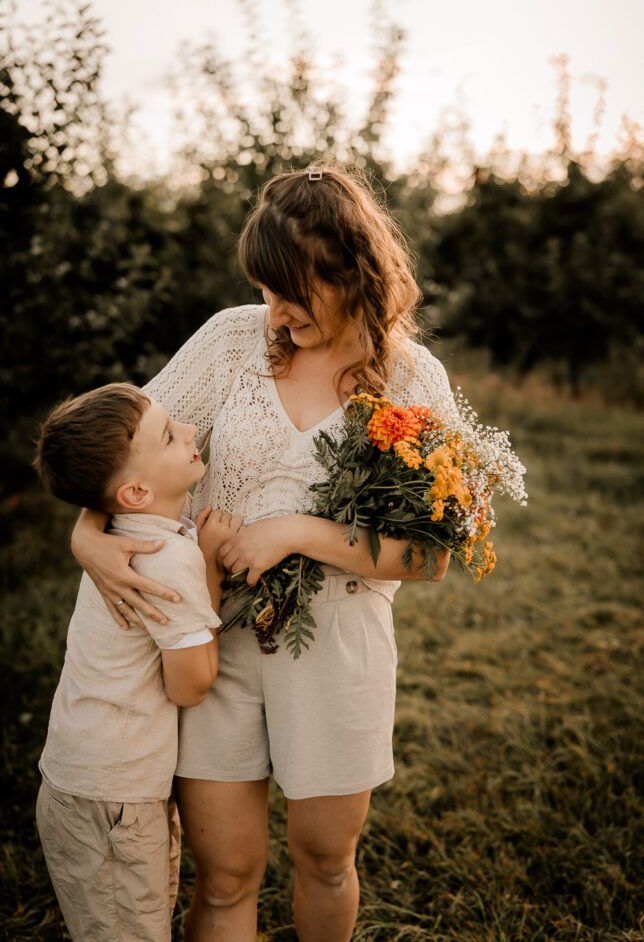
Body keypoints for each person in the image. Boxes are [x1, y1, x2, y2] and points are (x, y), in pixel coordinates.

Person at [71, 163, 457, 942]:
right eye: (265, 289)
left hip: (340, 654)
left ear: (353, 272)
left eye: (293, 290)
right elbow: (122, 458)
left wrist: (297, 533)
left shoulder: (414, 379)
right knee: (225, 876)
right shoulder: (230, 339)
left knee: (324, 862)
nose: (275, 312)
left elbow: (432, 556)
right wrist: (86, 538)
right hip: (211, 642)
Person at [34, 382, 241, 942]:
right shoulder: (164, 557)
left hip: (90, 777)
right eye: (171, 436)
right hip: (114, 794)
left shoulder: (119, 535)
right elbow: (191, 683)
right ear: (134, 492)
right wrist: (212, 573)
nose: (192, 431)